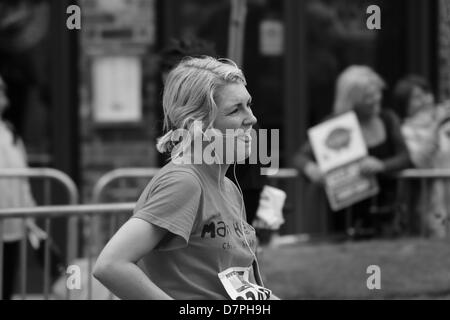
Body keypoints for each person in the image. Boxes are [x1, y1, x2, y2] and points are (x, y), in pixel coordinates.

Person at [93, 56, 279, 300]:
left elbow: (237, 287)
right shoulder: (184, 182)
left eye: (249, 104)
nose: (252, 118)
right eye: (235, 109)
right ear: (198, 124)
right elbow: (110, 265)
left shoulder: (230, 188)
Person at [159, 36, 274, 242]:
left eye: (183, 84)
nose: (175, 99)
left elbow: (264, 176)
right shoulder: (184, 180)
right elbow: (115, 262)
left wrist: (249, 228)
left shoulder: (251, 132)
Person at [293, 65, 411, 239]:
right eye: (367, 97)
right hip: (343, 213)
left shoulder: (388, 119)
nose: (375, 99)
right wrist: (311, 169)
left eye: (377, 93)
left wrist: (381, 165)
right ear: (351, 99)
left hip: (385, 209)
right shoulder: (334, 123)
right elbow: (300, 157)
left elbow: (405, 157)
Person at [0, 75, 46, 300]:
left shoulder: (9, 131)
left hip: (12, 221)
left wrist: (29, 212)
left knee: (6, 280)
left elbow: (21, 177)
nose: (4, 99)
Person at [393, 75, 450, 237]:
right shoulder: (405, 131)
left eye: (427, 93)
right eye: (417, 97)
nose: (426, 100)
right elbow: (419, 161)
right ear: (405, 105)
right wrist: (436, 125)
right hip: (431, 206)